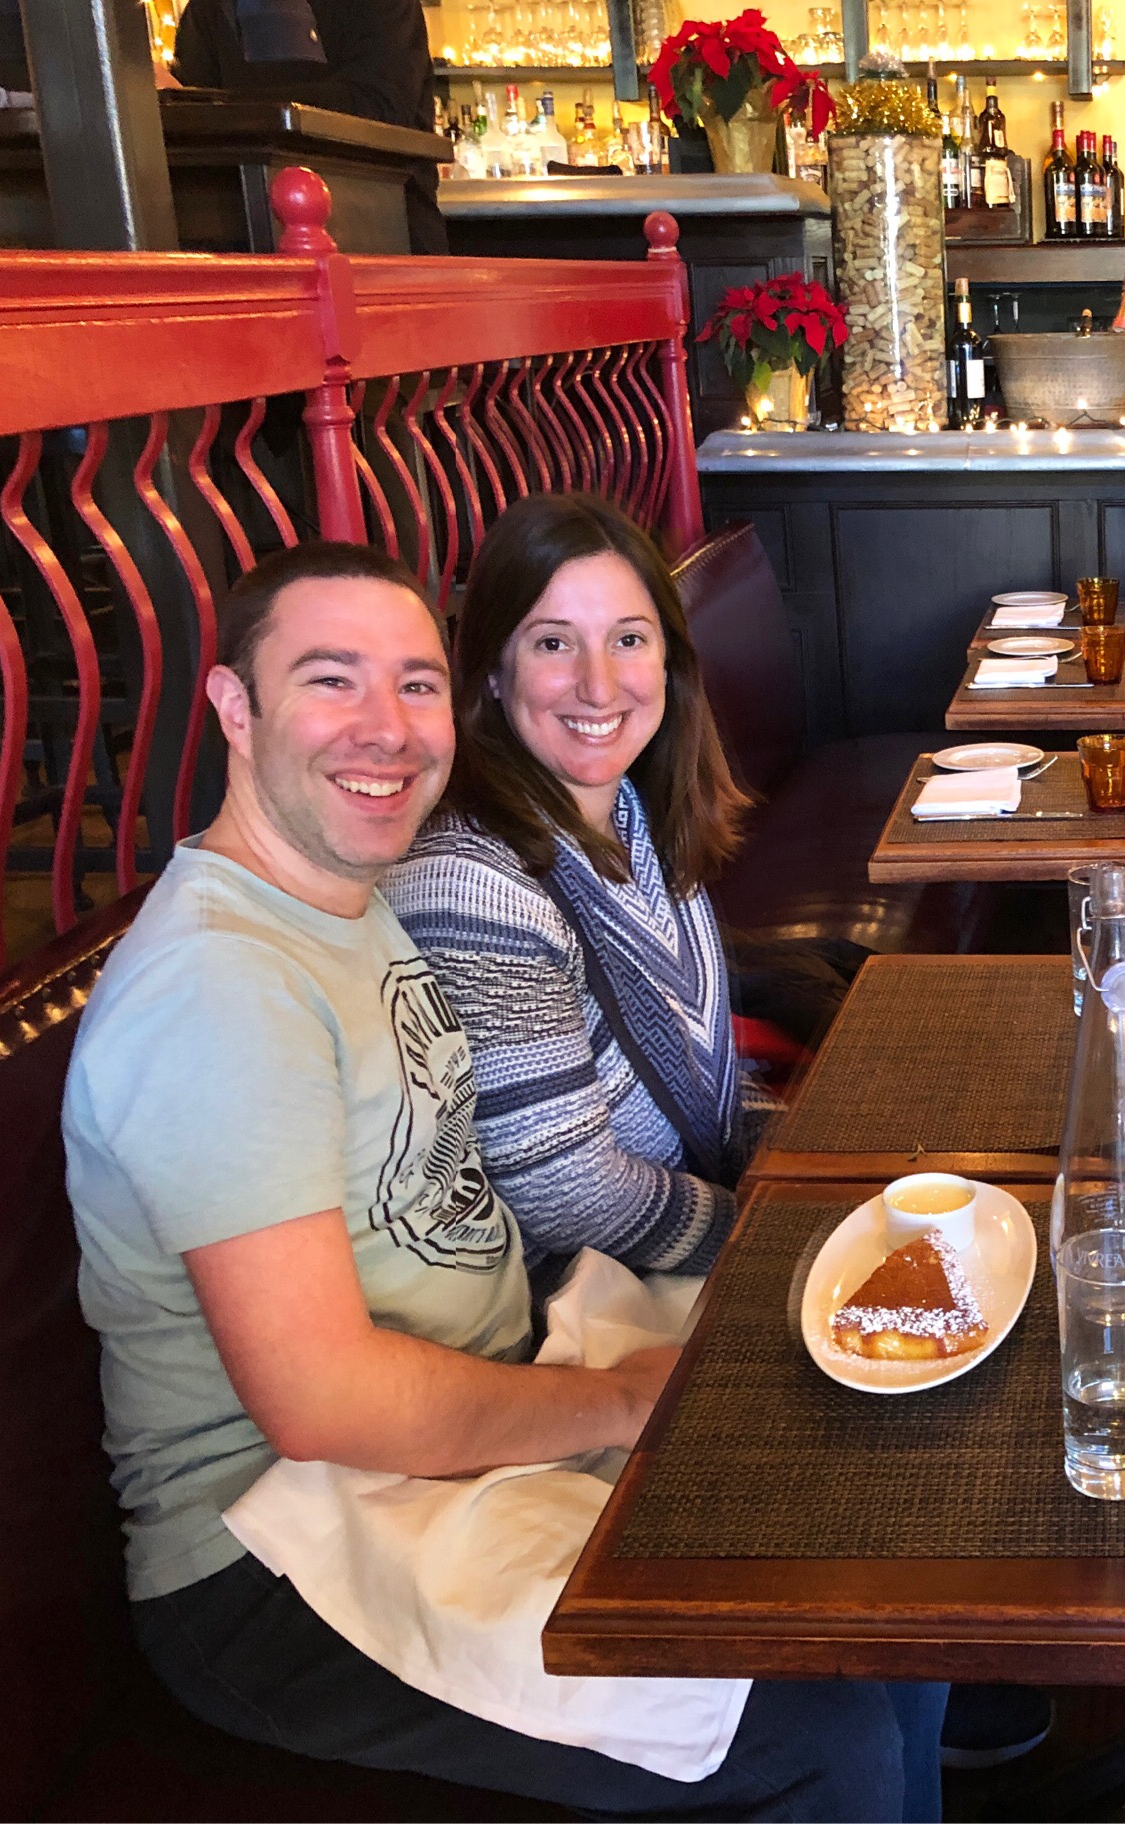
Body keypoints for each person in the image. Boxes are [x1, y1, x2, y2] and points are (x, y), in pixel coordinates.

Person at [64, 540, 942, 1819]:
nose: (387, 729)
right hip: (275, 1550)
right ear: (233, 707)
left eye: (416, 684)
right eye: (331, 680)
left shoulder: (347, 898)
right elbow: (324, 1404)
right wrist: (619, 1401)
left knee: (878, 1530)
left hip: (477, 1418)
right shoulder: (220, 989)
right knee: (821, 1728)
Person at [385, 495, 764, 1283]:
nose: (598, 686)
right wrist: (771, 1235)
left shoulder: (632, 806)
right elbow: (566, 1195)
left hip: (691, 1226)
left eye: (628, 640)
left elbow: (702, 1081)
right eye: (553, 643)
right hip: (596, 1292)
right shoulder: (472, 893)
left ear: (669, 660)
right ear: (492, 670)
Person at [166, 0, 448, 254]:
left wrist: (214, 104)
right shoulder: (210, 9)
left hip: (384, 240)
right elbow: (192, 122)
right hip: (247, 247)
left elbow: (381, 107)